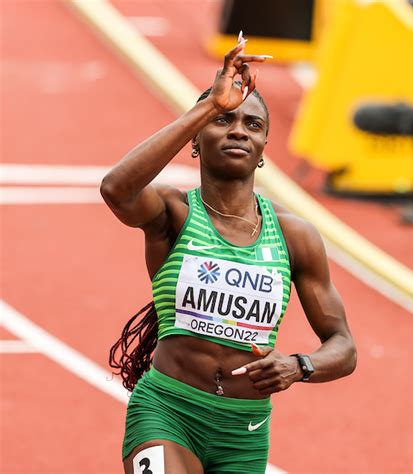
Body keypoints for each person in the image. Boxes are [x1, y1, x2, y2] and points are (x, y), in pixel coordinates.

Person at [101, 33, 357, 474]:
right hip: (167, 412)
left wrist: (300, 366)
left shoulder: (295, 235)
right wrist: (209, 105)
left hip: (245, 431)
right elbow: (116, 189)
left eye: (253, 125)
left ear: (261, 152)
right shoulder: (173, 213)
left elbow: (344, 347)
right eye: (224, 121)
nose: (238, 129)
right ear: (196, 141)